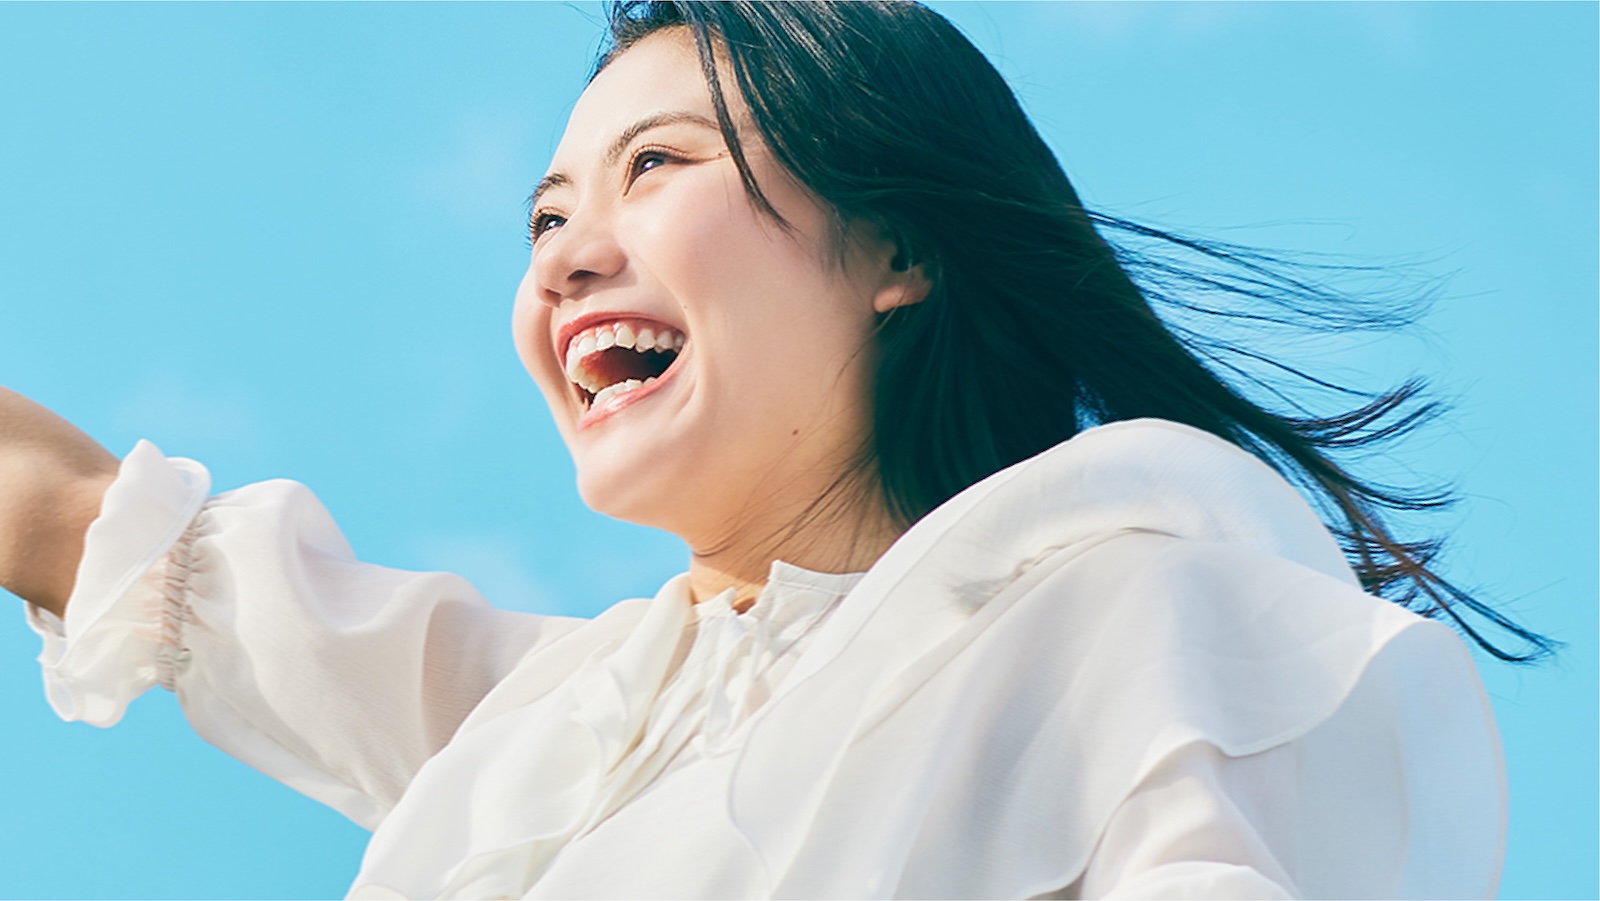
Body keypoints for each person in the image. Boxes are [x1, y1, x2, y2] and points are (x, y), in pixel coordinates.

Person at [0, 2, 1544, 898]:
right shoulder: (544, 731)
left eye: (653, 167)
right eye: (543, 219)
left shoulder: (1132, 623)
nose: (563, 260)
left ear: (895, 244)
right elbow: (77, 520)